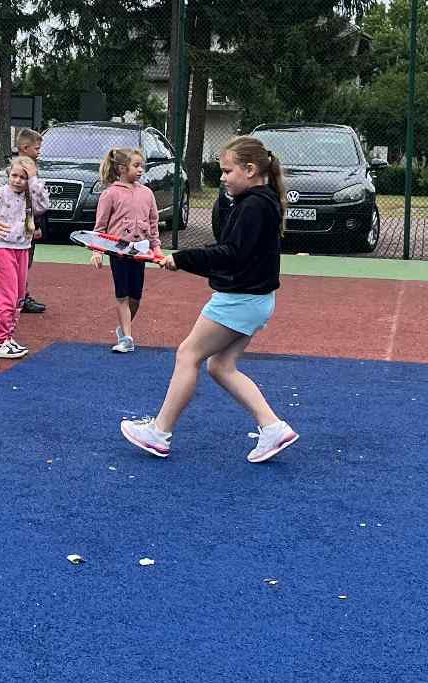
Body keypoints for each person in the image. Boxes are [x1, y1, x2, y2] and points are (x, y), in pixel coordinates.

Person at [120, 135, 297, 465]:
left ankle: (159, 433)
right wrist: (183, 260)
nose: (223, 177)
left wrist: (181, 259)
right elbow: (233, 251)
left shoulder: (254, 205)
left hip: (240, 300)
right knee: (221, 366)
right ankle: (273, 427)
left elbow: (231, 254)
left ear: (250, 169)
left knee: (188, 354)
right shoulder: (259, 201)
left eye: (228, 171)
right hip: (255, 300)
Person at [91, 146, 160, 354]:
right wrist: (97, 251)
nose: (140, 170)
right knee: (122, 295)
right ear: (122, 168)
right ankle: (127, 338)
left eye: (142, 166)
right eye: (136, 166)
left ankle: (123, 330)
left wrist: (156, 248)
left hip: (139, 252)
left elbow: (153, 223)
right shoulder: (110, 194)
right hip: (118, 251)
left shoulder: (147, 193)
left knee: (135, 297)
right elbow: (100, 227)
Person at [0, 157, 37, 359]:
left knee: (19, 297)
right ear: (8, 174)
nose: (17, 180)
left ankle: (8, 337)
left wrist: (34, 181)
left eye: (23, 177)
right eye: (14, 175)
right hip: (2, 247)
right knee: (7, 298)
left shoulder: (30, 196)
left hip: (22, 248)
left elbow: (44, 204)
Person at [14, 128, 50, 315]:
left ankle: (22, 295)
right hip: (16, 226)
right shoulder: (16, 171)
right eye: (36, 148)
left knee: (26, 263)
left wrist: (37, 224)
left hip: (28, 224)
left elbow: (38, 201)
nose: (39, 152)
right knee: (17, 264)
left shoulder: (33, 169)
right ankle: (17, 297)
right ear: (24, 147)